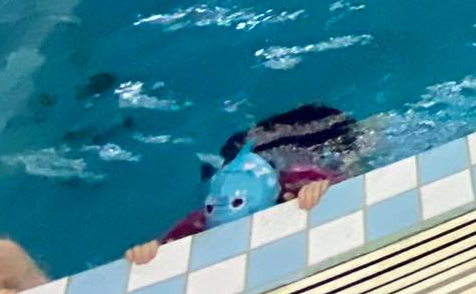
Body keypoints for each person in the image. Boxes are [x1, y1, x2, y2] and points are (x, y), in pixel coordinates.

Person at [126, 105, 363, 265]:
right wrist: (150, 252)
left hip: (309, 147)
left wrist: (320, 190)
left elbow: (346, 187)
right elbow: (167, 246)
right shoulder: (208, 215)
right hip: (259, 162)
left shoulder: (297, 182)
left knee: (351, 152)